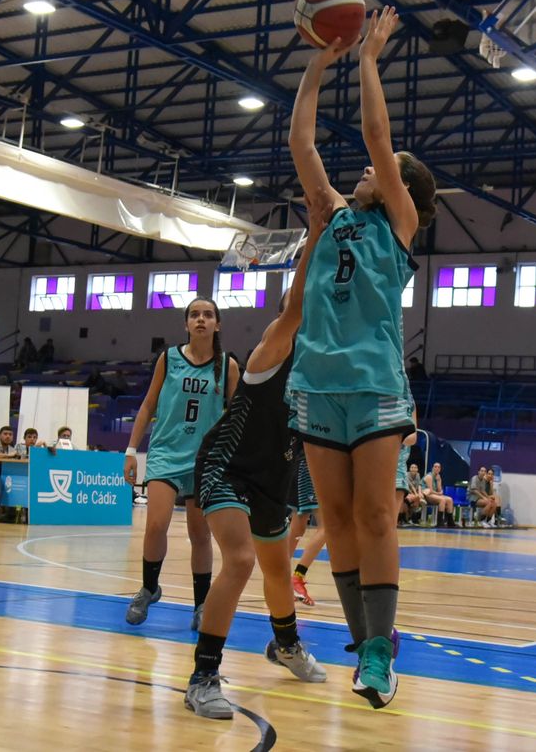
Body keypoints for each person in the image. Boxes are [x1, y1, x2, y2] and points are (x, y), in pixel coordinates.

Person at [285, 7, 436, 709]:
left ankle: (380, 647)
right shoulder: (332, 214)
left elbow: (378, 136)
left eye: (386, 171)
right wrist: (320, 60)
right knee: (336, 521)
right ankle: (366, 643)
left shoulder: (398, 225)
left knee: (376, 516)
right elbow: (301, 140)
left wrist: (370, 58)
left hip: (374, 384)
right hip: (317, 381)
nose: (371, 170)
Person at [185, 190, 331, 719]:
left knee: (276, 568)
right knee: (241, 560)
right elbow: (296, 305)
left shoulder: (322, 371)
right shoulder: (273, 348)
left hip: (275, 481)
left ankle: (285, 645)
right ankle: (202, 677)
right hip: (226, 468)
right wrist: (316, 234)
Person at [122, 296, 238, 630]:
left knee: (200, 534)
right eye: (194, 315)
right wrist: (130, 451)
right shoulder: (169, 358)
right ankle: (148, 587)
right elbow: (147, 406)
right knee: (155, 524)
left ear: (217, 324)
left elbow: (240, 414)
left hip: (206, 459)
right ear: (186, 324)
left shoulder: (228, 365)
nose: (201, 319)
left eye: (208, 315)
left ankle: (201, 604)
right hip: (166, 452)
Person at [421, 462, 455, 527]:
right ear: (432, 468)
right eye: (435, 467)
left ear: (440, 469)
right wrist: (439, 493)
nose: (437, 468)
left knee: (450, 500)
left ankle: (450, 521)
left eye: (438, 467)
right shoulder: (429, 476)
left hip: (434, 494)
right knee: (442, 500)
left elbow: (439, 489)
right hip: (426, 495)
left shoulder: (438, 477)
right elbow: (430, 491)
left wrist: (439, 481)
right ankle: (439, 521)